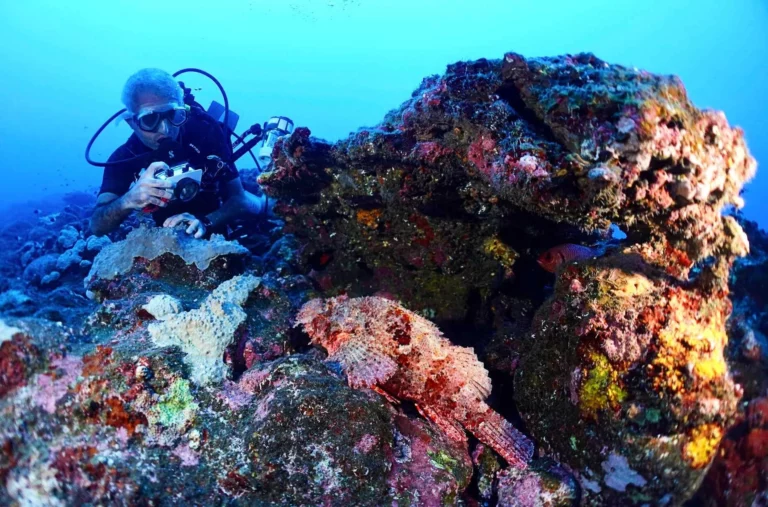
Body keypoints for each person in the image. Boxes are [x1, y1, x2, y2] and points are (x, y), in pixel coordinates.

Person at [90, 68, 266, 238]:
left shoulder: (205, 131)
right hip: (164, 232)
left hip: (216, 209)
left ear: (184, 111)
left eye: (173, 115)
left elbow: (240, 199)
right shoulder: (124, 157)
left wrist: (206, 222)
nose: (165, 130)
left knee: (264, 207)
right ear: (131, 122)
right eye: (150, 120)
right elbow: (97, 226)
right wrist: (128, 200)